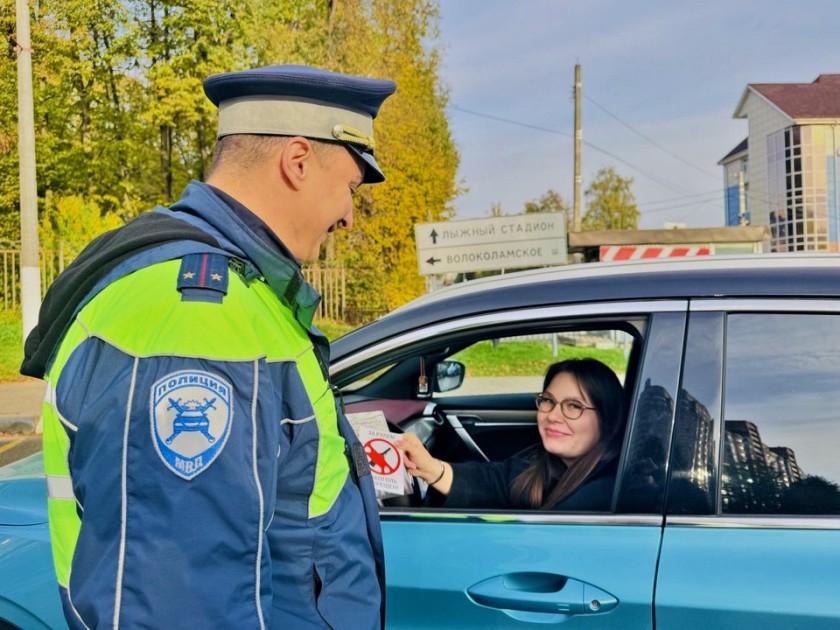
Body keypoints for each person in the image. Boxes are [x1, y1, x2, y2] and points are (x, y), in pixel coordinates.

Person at [20, 65, 396, 629]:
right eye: (349, 188)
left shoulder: (238, 291)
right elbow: (177, 605)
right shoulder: (196, 317)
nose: (347, 214)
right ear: (297, 162)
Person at [399, 358, 625, 511]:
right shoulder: (547, 465)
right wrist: (429, 467)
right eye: (548, 400)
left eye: (574, 406)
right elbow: (496, 481)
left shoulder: (607, 492)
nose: (553, 415)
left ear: (607, 418)